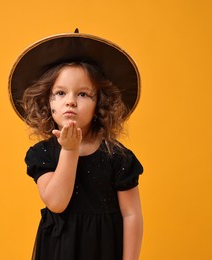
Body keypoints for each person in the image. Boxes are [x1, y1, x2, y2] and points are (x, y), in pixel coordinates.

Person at [9, 29, 144, 260]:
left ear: (99, 104)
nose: (70, 101)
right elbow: (57, 202)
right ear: (47, 102)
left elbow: (131, 215)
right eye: (60, 93)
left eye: (83, 94)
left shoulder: (117, 156)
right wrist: (69, 150)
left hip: (104, 249)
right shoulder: (42, 154)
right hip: (59, 251)